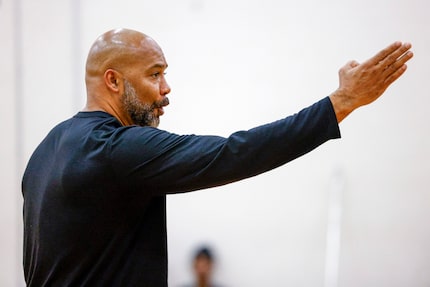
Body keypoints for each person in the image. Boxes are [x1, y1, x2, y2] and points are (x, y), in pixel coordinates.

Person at [21, 28, 413, 286]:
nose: (166, 88)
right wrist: (340, 103)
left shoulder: (43, 154)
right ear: (113, 80)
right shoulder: (116, 150)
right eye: (155, 74)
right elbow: (233, 153)